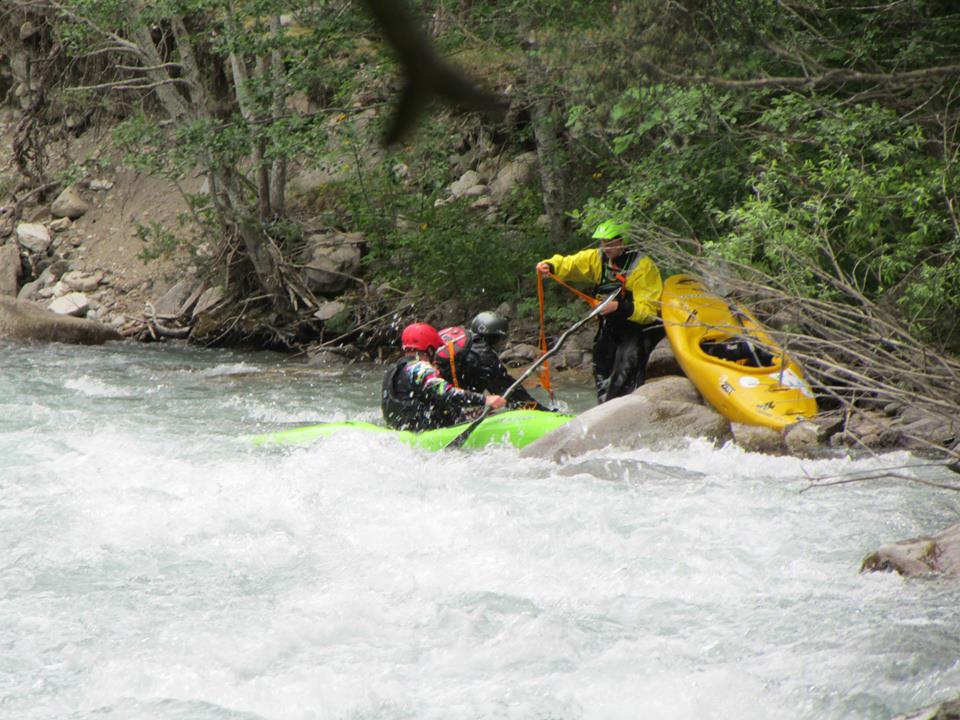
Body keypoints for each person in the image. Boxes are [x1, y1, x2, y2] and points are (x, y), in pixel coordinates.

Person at [536, 220, 664, 403]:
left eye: (611, 243)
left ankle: (624, 409)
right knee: (602, 373)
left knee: (622, 378)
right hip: (610, 328)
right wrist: (550, 265)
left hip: (637, 331)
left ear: (623, 242)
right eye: (603, 242)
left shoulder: (642, 266)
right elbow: (571, 264)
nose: (606, 247)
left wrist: (619, 307)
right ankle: (603, 410)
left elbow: (650, 311)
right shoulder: (597, 258)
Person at [381, 322, 506, 431]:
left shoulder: (394, 368)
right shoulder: (420, 368)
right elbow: (447, 393)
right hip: (421, 430)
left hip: (399, 427)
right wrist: (485, 400)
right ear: (430, 350)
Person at [434, 311, 551, 411]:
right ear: (492, 337)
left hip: (434, 390)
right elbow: (510, 392)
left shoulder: (458, 340)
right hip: (444, 401)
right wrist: (541, 411)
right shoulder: (483, 355)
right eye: (499, 339)